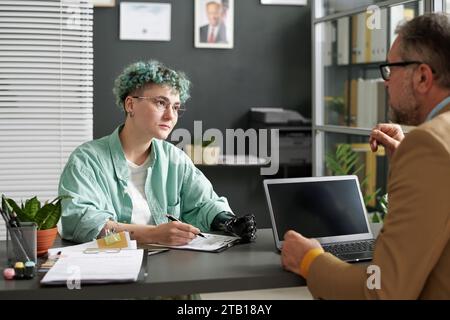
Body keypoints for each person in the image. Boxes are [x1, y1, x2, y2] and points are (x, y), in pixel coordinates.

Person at [281, 13, 450, 299]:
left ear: (422, 76)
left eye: (390, 69)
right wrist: (407, 161)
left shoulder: (427, 145)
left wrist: (309, 260)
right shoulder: (430, 147)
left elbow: (382, 289)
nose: (385, 81)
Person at [59, 60, 256, 245]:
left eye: (176, 107)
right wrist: (154, 235)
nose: (171, 115)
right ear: (130, 105)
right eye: (161, 103)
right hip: (111, 269)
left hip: (169, 266)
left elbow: (205, 204)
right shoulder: (86, 161)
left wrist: (229, 222)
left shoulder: (175, 158)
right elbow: (83, 223)